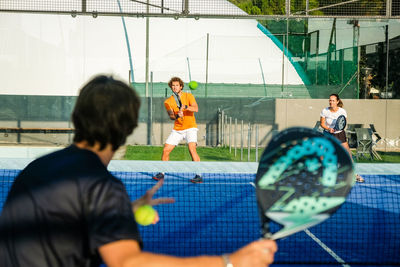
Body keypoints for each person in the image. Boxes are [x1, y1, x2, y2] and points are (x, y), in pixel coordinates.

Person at [0, 75, 277, 267]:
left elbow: (61, 219)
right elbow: (128, 262)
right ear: (129, 127)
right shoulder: (100, 187)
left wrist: (118, 210)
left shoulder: (36, 168)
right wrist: (230, 262)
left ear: (76, 117)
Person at [153, 77, 203, 183]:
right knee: (166, 149)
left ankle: (199, 175)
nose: (175, 87)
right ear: (171, 87)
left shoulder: (188, 96)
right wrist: (177, 116)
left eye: (177, 85)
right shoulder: (168, 102)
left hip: (190, 127)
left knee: (192, 149)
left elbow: (196, 108)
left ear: (181, 86)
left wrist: (184, 107)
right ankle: (162, 173)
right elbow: (171, 116)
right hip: (177, 129)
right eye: (173, 85)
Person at [320, 93, 364, 182]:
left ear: (337, 101)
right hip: (328, 134)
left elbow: (343, 123)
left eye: (333, 100)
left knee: (347, 154)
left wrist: (336, 129)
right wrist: (329, 128)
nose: (331, 102)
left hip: (340, 134)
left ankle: (354, 174)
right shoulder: (325, 111)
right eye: (330, 100)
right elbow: (322, 124)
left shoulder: (342, 111)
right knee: (322, 154)